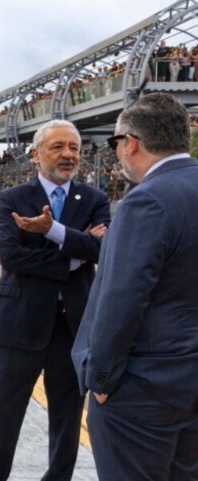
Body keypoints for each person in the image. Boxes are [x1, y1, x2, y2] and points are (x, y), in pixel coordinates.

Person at [72, 93, 198, 481]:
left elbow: (121, 299)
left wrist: (101, 380)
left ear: (131, 143)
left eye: (116, 142)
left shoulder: (147, 200)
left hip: (143, 389)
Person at [0, 119, 110, 481]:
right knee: (2, 414)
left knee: (68, 417)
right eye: (58, 147)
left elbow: (102, 249)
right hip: (19, 324)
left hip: (73, 327)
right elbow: (12, 257)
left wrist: (52, 231)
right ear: (35, 154)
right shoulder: (12, 199)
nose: (68, 155)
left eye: (74, 148)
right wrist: (74, 255)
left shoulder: (95, 199)